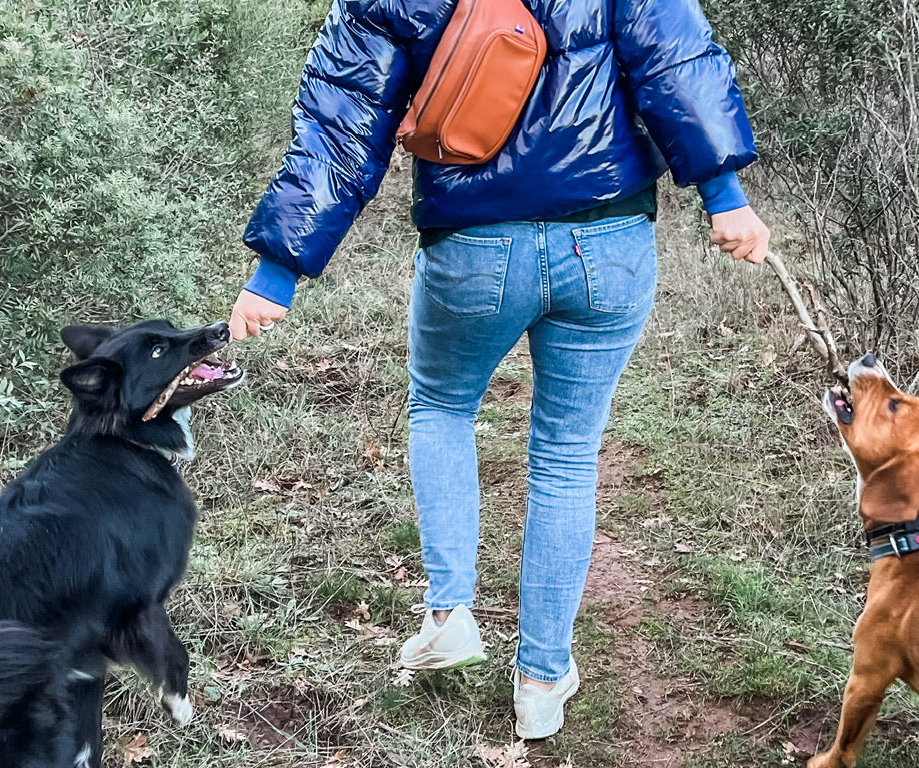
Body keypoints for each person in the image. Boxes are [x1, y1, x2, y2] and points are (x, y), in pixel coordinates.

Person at [231, 0, 769, 739]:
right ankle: (542, 682)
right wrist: (724, 196)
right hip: (607, 238)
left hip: (472, 245)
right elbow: (673, 62)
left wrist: (277, 273)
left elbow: (342, 120)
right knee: (567, 455)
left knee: (442, 409)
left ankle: (449, 613)